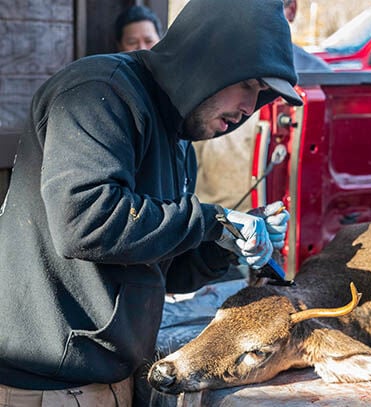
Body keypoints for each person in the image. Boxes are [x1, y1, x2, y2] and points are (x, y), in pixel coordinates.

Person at [0, 0, 301, 405]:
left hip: (113, 374)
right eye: (249, 84)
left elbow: (163, 270)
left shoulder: (178, 143)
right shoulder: (100, 91)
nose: (250, 107)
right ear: (211, 56)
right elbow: (84, 221)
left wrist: (227, 244)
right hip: (45, 382)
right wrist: (212, 220)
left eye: (262, 94)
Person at [194, 0, 330, 212]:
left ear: (291, 10)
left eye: (272, 6)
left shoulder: (321, 78)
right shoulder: (215, 63)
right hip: (216, 220)